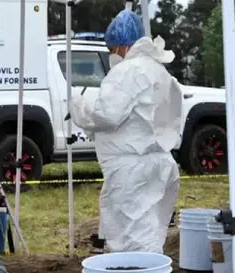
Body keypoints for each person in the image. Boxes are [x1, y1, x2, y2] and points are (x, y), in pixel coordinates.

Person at [70, 10, 182, 253]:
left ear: (122, 46)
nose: (112, 55)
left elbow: (108, 115)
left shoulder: (127, 71)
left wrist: (79, 109)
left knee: (131, 245)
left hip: (132, 171)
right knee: (151, 237)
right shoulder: (160, 71)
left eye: (112, 49)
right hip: (161, 164)